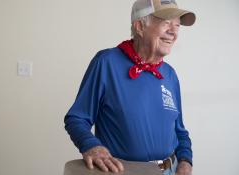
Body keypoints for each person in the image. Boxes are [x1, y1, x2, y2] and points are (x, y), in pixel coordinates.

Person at [64, 0, 196, 175]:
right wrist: (91, 145)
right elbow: (76, 118)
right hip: (122, 171)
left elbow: (179, 130)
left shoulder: (170, 74)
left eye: (177, 25)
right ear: (140, 26)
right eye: (166, 23)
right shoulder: (107, 62)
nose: (173, 32)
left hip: (169, 170)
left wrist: (186, 161)